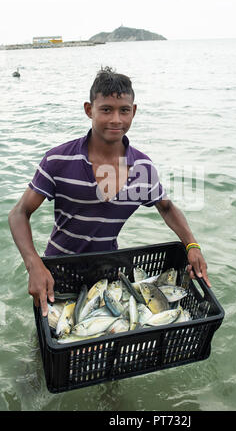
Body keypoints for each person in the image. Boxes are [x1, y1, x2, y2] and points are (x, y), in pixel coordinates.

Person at [8, 67, 210, 316]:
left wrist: (192, 245)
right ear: (88, 109)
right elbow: (19, 213)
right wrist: (34, 264)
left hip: (107, 273)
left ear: (133, 112)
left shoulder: (142, 168)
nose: (116, 119)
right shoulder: (58, 160)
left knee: (100, 341)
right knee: (50, 342)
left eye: (124, 110)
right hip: (57, 270)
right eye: (106, 109)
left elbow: (167, 208)